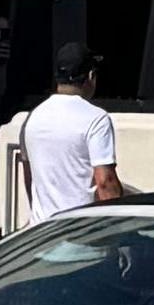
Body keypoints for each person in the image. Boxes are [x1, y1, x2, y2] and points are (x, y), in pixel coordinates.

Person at [25, 46, 122, 216]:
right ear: (91, 76)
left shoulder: (33, 118)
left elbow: (29, 176)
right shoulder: (96, 118)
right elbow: (105, 182)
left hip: (43, 231)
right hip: (80, 233)